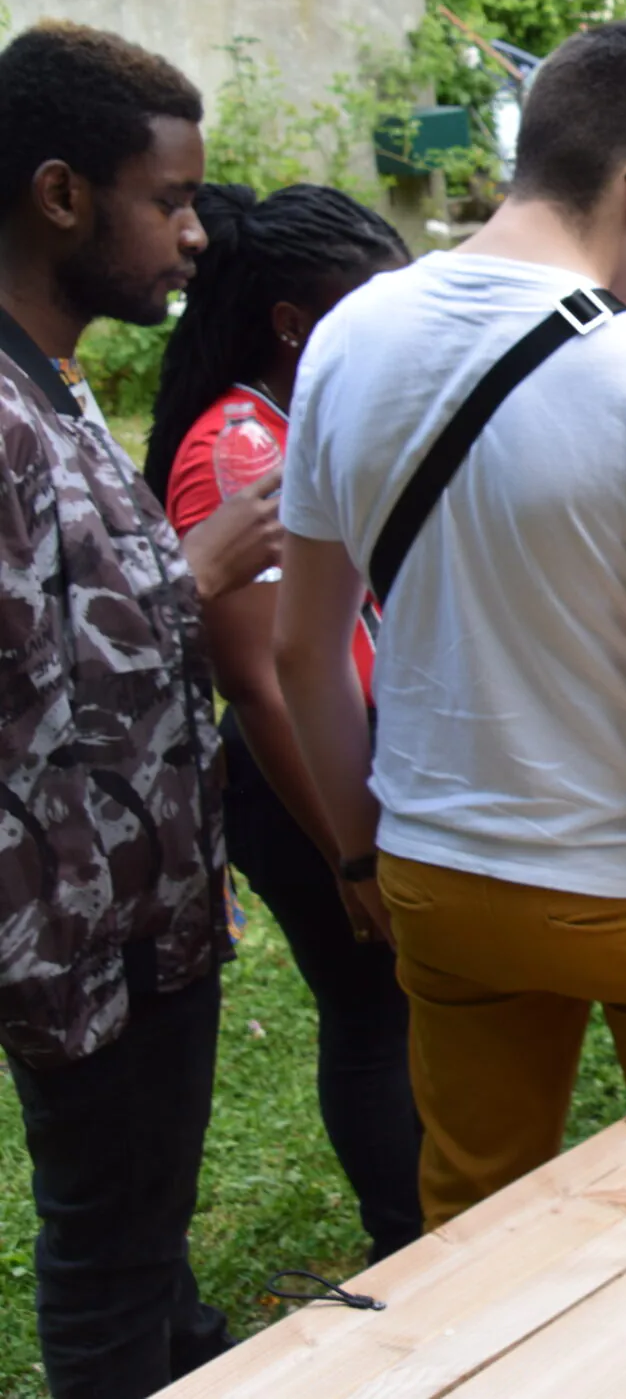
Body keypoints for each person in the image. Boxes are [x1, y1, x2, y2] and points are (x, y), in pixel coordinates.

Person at [272, 19, 626, 1228]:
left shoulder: (348, 337)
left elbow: (304, 652)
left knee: (474, 1216)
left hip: (445, 879)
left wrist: (363, 852)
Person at [0, 22, 283, 1398]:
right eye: (168, 200)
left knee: (144, 1239)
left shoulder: (48, 378)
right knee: (107, 1255)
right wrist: (201, 569)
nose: (192, 236)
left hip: (141, 914)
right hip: (71, 936)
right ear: (62, 195)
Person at [144, 183, 423, 1262]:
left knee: (400, 1012)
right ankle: (408, 1239)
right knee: (371, 1018)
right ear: (295, 323)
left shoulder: (297, 419)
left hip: (355, 760)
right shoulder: (237, 454)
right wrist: (349, 858)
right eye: (367, 307)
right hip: (304, 781)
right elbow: (261, 680)